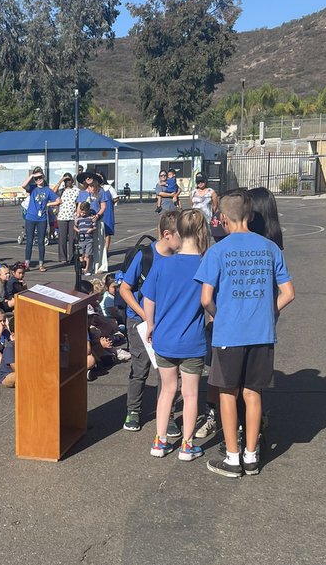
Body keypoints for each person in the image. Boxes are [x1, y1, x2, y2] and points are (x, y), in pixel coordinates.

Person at [195, 189, 295, 478]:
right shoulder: (269, 248)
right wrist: (269, 312)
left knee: (228, 393)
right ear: (250, 216)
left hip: (229, 333)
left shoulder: (217, 251)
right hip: (261, 333)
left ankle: (232, 456)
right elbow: (288, 293)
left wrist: (218, 313)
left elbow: (205, 298)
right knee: (253, 393)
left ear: (223, 219)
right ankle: (252, 456)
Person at [142, 209, 210, 462]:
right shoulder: (205, 264)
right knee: (191, 393)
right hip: (192, 340)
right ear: (202, 231)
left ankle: (160, 440)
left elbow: (149, 298)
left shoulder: (164, 263)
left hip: (165, 338)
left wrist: (150, 323)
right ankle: (187, 444)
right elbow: (210, 301)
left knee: (167, 390)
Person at [119, 210, 181, 432]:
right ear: (167, 234)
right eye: (181, 234)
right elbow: (125, 289)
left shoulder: (180, 256)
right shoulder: (146, 256)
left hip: (168, 321)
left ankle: (169, 414)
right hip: (140, 320)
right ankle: (133, 410)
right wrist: (146, 316)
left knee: (169, 371)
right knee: (140, 366)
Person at [21, 169, 60, 272]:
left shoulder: (48, 190)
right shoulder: (33, 188)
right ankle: (27, 263)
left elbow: (58, 201)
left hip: (42, 219)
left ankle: (41, 264)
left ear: (43, 177)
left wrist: (48, 204)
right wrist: (32, 176)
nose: (38, 180)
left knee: (41, 242)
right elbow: (23, 185)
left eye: (40, 177)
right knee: (29, 241)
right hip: (30, 218)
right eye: (36, 178)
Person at [55, 173, 79, 264]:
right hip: (62, 217)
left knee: (73, 238)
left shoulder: (76, 190)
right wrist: (61, 180)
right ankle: (63, 257)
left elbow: (79, 202)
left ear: (72, 180)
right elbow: (53, 192)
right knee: (62, 238)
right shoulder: (61, 191)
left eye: (69, 180)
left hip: (72, 217)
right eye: (66, 180)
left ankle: (72, 256)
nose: (67, 182)